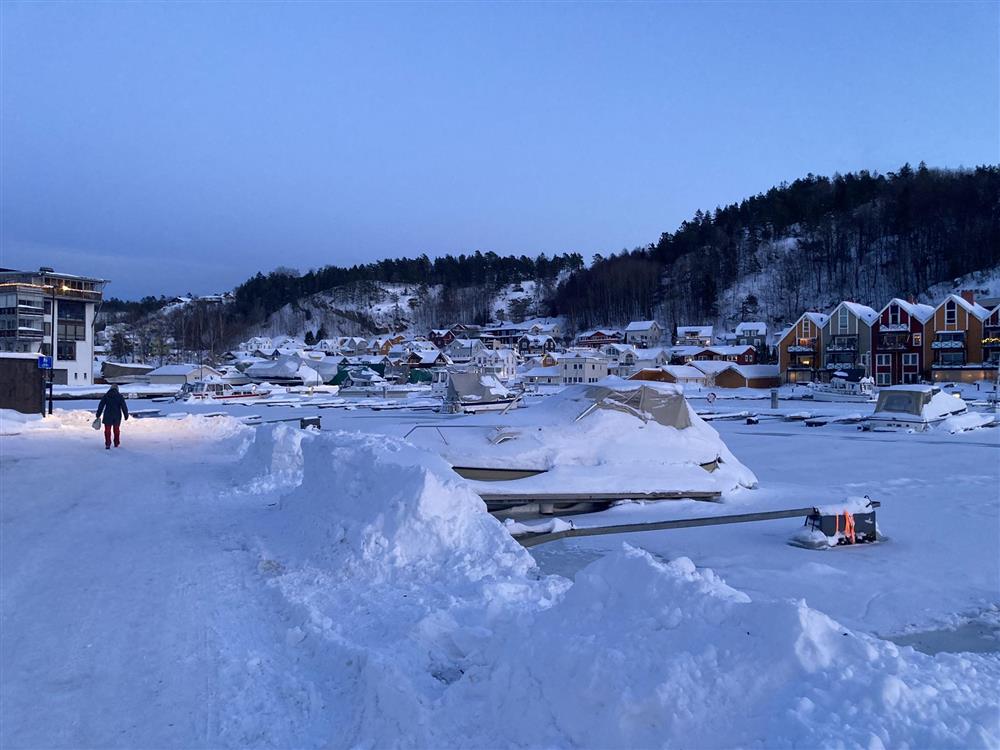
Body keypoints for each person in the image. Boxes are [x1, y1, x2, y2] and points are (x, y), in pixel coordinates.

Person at [96, 384, 129, 449]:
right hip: (117, 415)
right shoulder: (120, 396)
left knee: (107, 430)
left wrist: (98, 414)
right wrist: (126, 415)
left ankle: (108, 443)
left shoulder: (106, 395)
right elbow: (124, 406)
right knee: (116, 430)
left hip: (107, 415)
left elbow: (101, 405)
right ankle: (116, 443)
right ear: (117, 389)